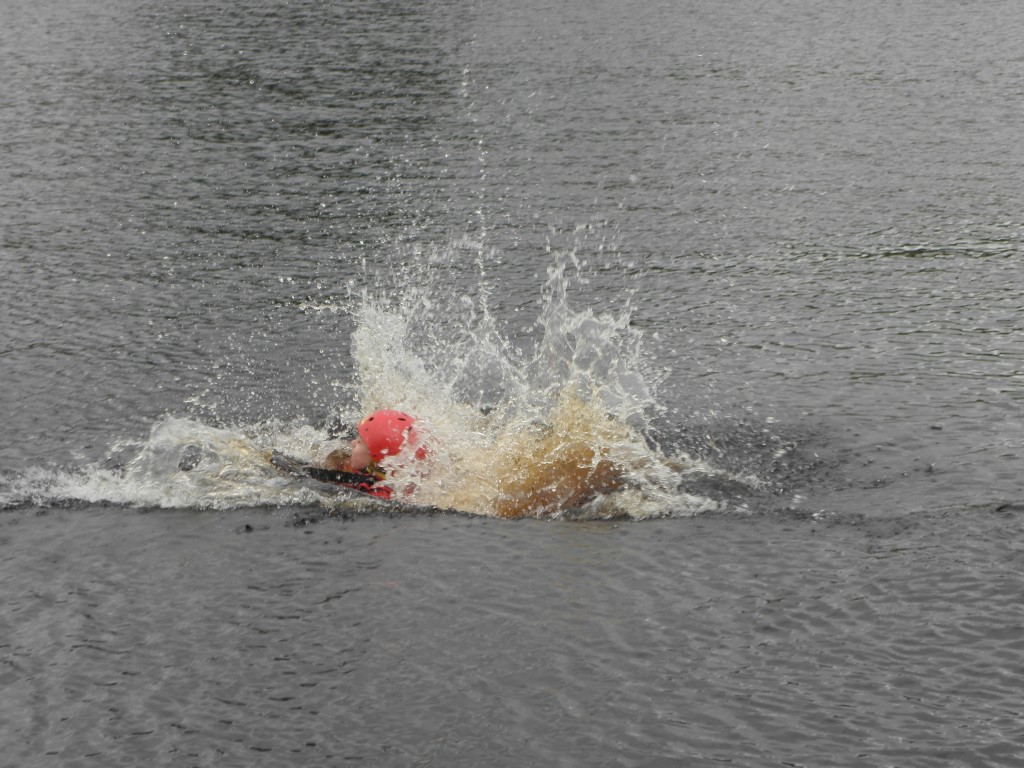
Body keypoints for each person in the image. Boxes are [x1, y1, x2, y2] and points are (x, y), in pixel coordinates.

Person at [307, 409, 425, 500]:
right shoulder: (377, 473)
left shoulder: (379, 495)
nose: (353, 443)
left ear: (376, 457)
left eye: (359, 442)